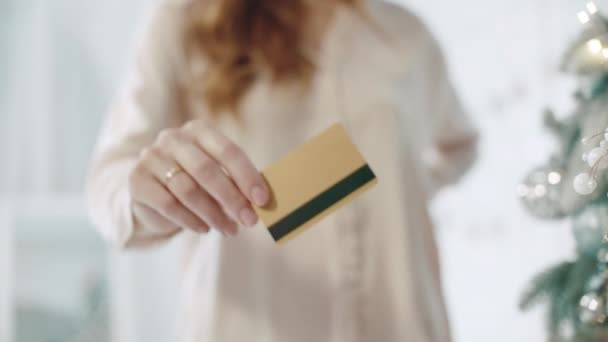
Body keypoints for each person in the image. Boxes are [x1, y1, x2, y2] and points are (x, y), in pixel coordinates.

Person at [86, 0, 478, 341]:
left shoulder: (406, 35)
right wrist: (153, 193)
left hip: (401, 328)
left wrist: (402, 187)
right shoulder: (183, 22)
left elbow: (459, 145)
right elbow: (108, 190)